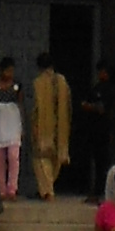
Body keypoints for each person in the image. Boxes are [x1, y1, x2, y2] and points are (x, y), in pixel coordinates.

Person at [31, 52, 73, 201]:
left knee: (41, 159)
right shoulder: (63, 81)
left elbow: (35, 107)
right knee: (55, 158)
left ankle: (47, 190)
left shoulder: (38, 82)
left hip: (44, 126)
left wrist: (34, 126)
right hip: (61, 125)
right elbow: (69, 105)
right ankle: (48, 188)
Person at [0, 60, 25, 205]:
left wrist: (22, 127)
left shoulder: (17, 86)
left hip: (13, 122)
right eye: (7, 70)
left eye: (11, 71)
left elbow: (20, 105)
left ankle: (12, 188)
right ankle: (1, 189)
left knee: (14, 156)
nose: (9, 74)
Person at [76, 62, 114, 195]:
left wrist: (89, 106)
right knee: (95, 161)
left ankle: (101, 191)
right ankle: (94, 190)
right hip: (93, 130)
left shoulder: (109, 89)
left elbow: (102, 108)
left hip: (103, 131)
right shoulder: (97, 87)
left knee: (102, 163)